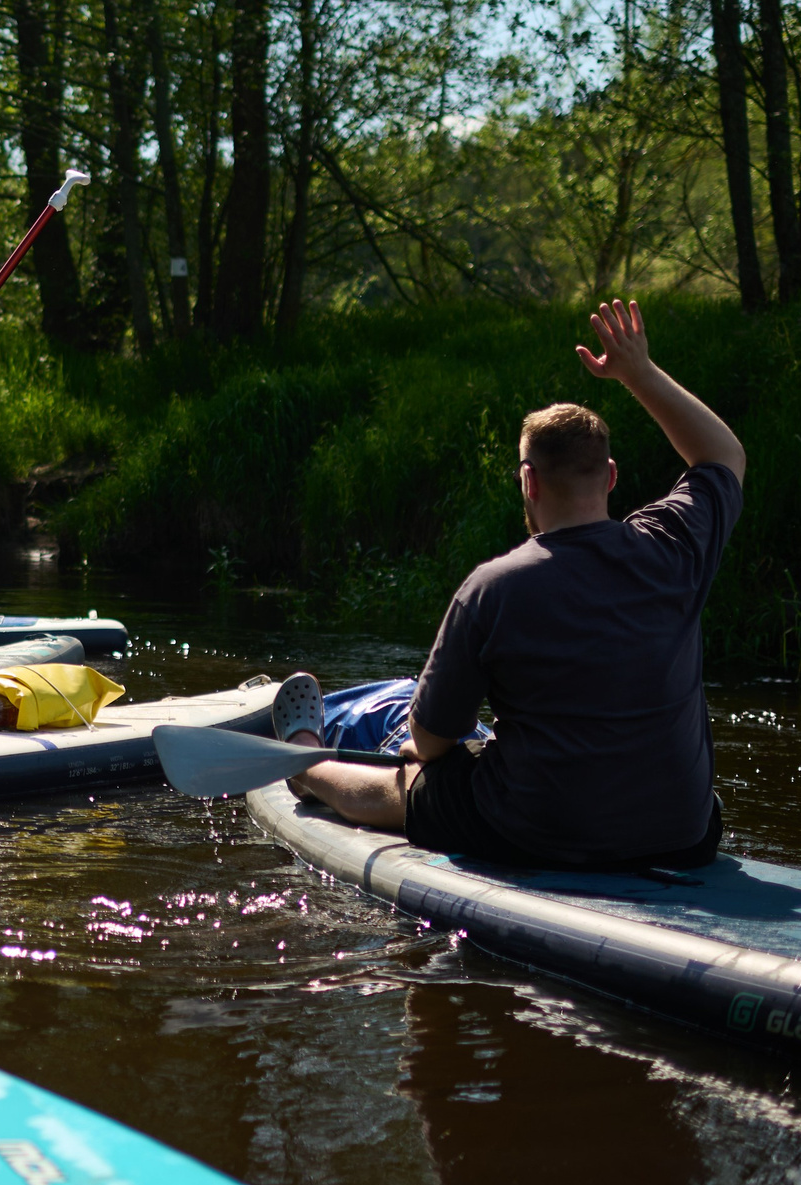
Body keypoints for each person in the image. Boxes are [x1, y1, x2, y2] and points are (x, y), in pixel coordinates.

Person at [292, 299, 745, 869]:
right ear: (609, 476)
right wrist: (639, 372)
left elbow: (433, 739)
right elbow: (722, 454)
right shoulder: (674, 547)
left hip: (536, 833)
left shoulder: (492, 587)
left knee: (418, 782)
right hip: (684, 835)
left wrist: (420, 756)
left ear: (528, 482)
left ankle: (302, 764)